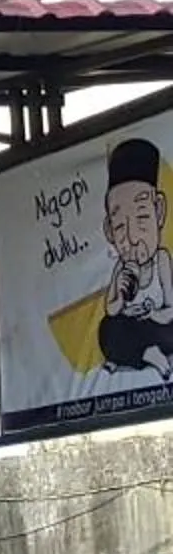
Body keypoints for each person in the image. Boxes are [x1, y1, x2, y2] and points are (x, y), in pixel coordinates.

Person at [99, 136, 173, 377]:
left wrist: (154, 314)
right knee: (109, 330)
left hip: (158, 325)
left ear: (159, 212)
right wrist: (120, 296)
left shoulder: (161, 259)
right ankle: (146, 355)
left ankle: (139, 354)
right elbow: (111, 310)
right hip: (131, 327)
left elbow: (172, 307)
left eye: (142, 219)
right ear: (109, 230)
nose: (131, 237)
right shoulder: (121, 267)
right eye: (120, 226)